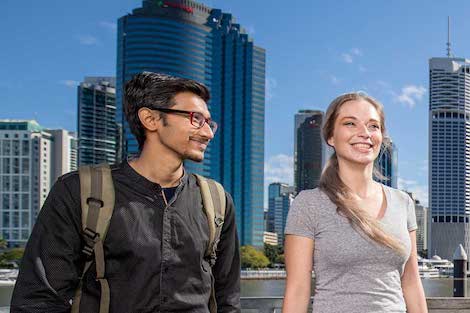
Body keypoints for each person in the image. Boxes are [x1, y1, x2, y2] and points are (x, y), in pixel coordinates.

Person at [11, 72, 241, 313]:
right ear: (150, 119)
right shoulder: (80, 192)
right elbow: (37, 301)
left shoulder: (216, 201)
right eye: (195, 119)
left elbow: (228, 300)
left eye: (209, 122)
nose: (208, 133)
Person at [282, 92, 428, 313]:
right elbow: (298, 289)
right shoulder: (308, 204)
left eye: (373, 126)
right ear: (331, 137)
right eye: (350, 123)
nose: (364, 133)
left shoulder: (403, 203)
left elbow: (411, 282)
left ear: (381, 137)